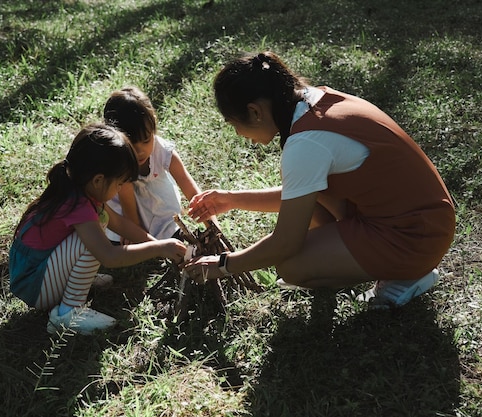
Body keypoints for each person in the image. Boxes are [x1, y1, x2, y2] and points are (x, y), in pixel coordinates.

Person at [184, 51, 455, 308]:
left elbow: (285, 244)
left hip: (416, 237)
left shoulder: (306, 144)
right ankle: (371, 259)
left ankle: (407, 274)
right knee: (308, 223)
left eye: (234, 124)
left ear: (255, 112)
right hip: (426, 220)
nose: (239, 134)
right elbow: (301, 196)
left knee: (291, 266)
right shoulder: (314, 102)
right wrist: (231, 200)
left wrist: (223, 265)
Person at [9, 123, 187, 335]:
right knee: (93, 240)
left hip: (37, 273)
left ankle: (75, 282)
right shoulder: (78, 205)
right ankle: (68, 313)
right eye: (119, 184)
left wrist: (155, 243)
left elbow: (120, 223)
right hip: (34, 284)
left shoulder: (81, 190)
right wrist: (159, 249)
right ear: (99, 180)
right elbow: (110, 256)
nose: (121, 190)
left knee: (98, 227)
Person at [102, 86, 217, 243]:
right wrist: (133, 232)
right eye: (132, 145)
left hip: (157, 201)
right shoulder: (119, 159)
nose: (140, 151)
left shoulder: (162, 151)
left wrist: (213, 227)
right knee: (119, 239)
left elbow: (191, 190)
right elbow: (128, 206)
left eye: (146, 140)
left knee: (171, 231)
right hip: (126, 207)